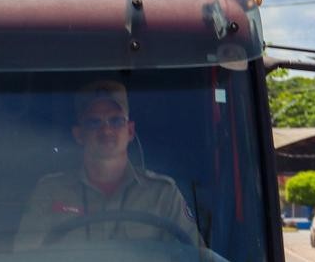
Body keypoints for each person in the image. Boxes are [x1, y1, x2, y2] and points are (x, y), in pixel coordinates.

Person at [14, 81, 199, 250]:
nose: (106, 130)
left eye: (116, 120)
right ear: (79, 134)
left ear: (130, 130)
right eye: (94, 122)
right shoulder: (49, 191)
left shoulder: (163, 194)